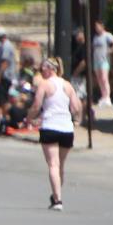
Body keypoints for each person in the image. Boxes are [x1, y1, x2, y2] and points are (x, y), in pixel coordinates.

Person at [28, 58, 82, 212]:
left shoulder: (44, 85)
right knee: (60, 165)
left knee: (53, 164)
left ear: (51, 69)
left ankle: (57, 199)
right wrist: (76, 118)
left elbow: (37, 105)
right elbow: (76, 107)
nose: (41, 72)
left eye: (43, 69)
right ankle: (56, 194)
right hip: (66, 128)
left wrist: (29, 117)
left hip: (50, 126)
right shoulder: (67, 85)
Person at [0, 28, 18, 134]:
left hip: (5, 77)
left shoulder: (6, 46)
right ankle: (5, 120)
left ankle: (8, 120)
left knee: (4, 100)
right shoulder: (3, 46)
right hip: (4, 76)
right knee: (1, 100)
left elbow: (5, 62)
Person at [92, 21, 113, 107]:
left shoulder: (107, 35)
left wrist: (110, 51)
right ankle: (103, 96)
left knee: (104, 78)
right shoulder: (96, 37)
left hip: (104, 61)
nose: (96, 28)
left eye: (98, 26)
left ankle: (107, 97)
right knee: (99, 79)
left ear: (102, 26)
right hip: (96, 60)